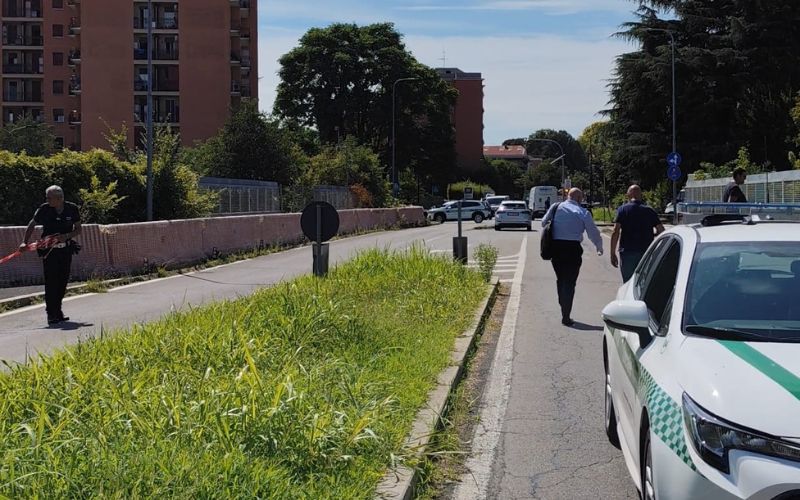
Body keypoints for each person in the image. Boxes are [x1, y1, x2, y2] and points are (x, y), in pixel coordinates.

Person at [20, 185, 82, 325]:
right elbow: (31, 224)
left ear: (59, 198)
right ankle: (51, 313)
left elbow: (78, 229)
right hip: (49, 251)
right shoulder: (44, 209)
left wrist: (66, 236)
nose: (47, 200)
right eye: (47, 197)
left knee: (62, 281)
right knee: (51, 282)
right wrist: (24, 242)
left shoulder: (72, 209)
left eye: (49, 198)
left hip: (65, 250)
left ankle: (58, 310)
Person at [541, 188, 603, 327]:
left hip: (556, 248)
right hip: (573, 250)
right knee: (570, 282)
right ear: (580, 198)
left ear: (567, 196)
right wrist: (599, 247)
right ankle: (566, 314)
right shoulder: (583, 212)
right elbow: (593, 232)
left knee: (561, 279)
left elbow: (544, 222)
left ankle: (563, 304)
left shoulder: (556, 207)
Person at [610, 185, 665, 282]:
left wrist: (612, 253)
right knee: (643, 283)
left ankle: (628, 297)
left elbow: (615, 231)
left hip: (627, 252)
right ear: (640, 195)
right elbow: (661, 230)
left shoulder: (622, 210)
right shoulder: (649, 211)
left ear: (628, 195)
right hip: (646, 252)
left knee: (628, 282)